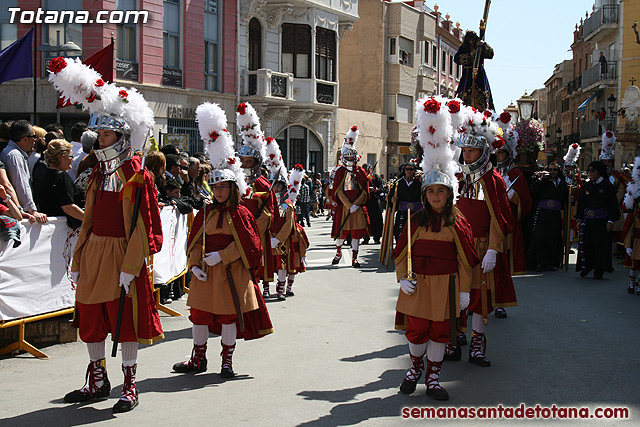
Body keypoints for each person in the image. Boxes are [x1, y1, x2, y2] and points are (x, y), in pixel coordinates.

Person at [49, 56, 164, 413]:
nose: (101, 138)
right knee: (91, 318)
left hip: (123, 256)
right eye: (98, 133)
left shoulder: (137, 174)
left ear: (122, 136)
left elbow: (147, 225)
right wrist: (80, 258)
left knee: (125, 323)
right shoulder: (98, 173)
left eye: (108, 133)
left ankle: (130, 382)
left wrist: (132, 265)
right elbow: (89, 220)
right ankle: (97, 378)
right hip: (95, 252)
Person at [173, 101, 272, 377]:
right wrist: (194, 265)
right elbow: (194, 242)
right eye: (214, 186)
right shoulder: (205, 211)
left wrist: (225, 256)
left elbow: (250, 245)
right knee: (199, 316)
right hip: (206, 272)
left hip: (232, 272)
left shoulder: (241, 213)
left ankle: (226, 362)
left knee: (229, 317)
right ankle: (198, 359)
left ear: (231, 188)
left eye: (222, 187)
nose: (217, 191)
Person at [394, 99, 479, 400]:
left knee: (440, 333)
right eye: (430, 191)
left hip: (446, 286)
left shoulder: (458, 223)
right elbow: (402, 253)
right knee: (416, 332)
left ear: (449, 194)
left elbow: (466, 260)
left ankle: (432, 378)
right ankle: (414, 368)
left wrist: (465, 291)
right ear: (424, 194)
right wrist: (401, 277)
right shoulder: (414, 221)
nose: (435, 196)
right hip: (417, 286)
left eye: (440, 191)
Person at [448, 102, 515, 366]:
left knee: (478, 298)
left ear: (483, 151)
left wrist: (492, 250)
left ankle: (477, 344)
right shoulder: (457, 178)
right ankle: (455, 340)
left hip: (482, 245)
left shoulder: (493, 180)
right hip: (457, 244)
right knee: (455, 294)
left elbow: (500, 218)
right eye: (464, 150)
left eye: (472, 150)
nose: (466, 155)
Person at [236, 103, 279, 299]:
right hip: (237, 229)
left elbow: (269, 212)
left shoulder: (262, 183)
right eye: (242, 161)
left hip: (256, 231)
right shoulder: (235, 181)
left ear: (256, 163)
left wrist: (253, 229)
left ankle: (264, 288)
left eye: (248, 161)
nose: (245, 164)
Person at [494, 129, 531, 318]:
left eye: (502, 153)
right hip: (490, 226)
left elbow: (526, 201)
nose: (499, 156)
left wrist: (513, 196)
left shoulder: (516, 174)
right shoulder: (489, 173)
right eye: (497, 153)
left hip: (508, 228)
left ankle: (500, 303)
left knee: (503, 268)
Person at [331, 126, 371, 267]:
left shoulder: (360, 171)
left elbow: (365, 191)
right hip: (344, 208)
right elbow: (338, 191)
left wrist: (356, 204)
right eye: (347, 156)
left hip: (357, 208)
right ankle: (338, 252)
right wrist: (348, 205)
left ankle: (354, 257)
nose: (349, 159)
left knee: (356, 234)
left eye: (351, 156)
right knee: (340, 232)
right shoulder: (340, 172)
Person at [575, 161, 620, 279]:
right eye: (589, 170)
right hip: (588, 220)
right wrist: (579, 218)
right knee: (587, 244)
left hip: (601, 221)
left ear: (598, 172)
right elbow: (581, 203)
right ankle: (587, 266)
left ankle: (599, 269)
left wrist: (611, 220)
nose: (589, 173)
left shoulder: (607, 186)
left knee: (600, 246)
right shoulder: (587, 186)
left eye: (592, 170)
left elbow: (612, 205)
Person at [0, 120, 48, 224]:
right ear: (25, 139)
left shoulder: (13, 153)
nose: (35, 140)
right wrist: (32, 210)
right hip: (20, 212)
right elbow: (20, 184)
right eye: (33, 136)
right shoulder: (14, 155)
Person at [527, 163, 569, 271]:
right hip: (543, 213)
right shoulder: (542, 181)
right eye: (550, 170)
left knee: (554, 237)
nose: (552, 172)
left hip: (555, 214)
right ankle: (540, 262)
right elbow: (533, 190)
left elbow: (565, 198)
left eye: (555, 169)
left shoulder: (561, 183)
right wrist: (541, 179)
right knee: (541, 238)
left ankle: (551, 262)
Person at [37, 139, 85, 228]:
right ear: (61, 157)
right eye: (70, 156)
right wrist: (90, 221)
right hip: (62, 229)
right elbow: (68, 207)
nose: (73, 159)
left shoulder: (45, 174)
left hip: (51, 227)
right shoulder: (61, 176)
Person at [454, 31, 495, 111]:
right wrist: (471, 55)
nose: (472, 42)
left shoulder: (480, 47)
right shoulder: (463, 48)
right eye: (470, 40)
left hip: (480, 73)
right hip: (468, 74)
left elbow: (490, 54)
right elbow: (457, 59)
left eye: (473, 39)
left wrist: (484, 45)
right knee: (464, 95)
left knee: (482, 94)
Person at [388, 162, 422, 243]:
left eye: (411, 169)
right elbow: (391, 197)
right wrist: (392, 199)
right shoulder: (398, 183)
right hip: (402, 213)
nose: (409, 171)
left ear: (414, 171)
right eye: (407, 169)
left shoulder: (419, 183)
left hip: (416, 213)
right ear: (404, 170)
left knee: (415, 233)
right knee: (399, 233)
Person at [362, 163, 384, 245]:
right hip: (365, 201)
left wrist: (376, 189)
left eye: (368, 169)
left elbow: (381, 187)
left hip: (375, 201)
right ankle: (366, 237)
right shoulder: (362, 177)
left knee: (376, 220)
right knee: (365, 221)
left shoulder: (376, 177)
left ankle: (377, 237)